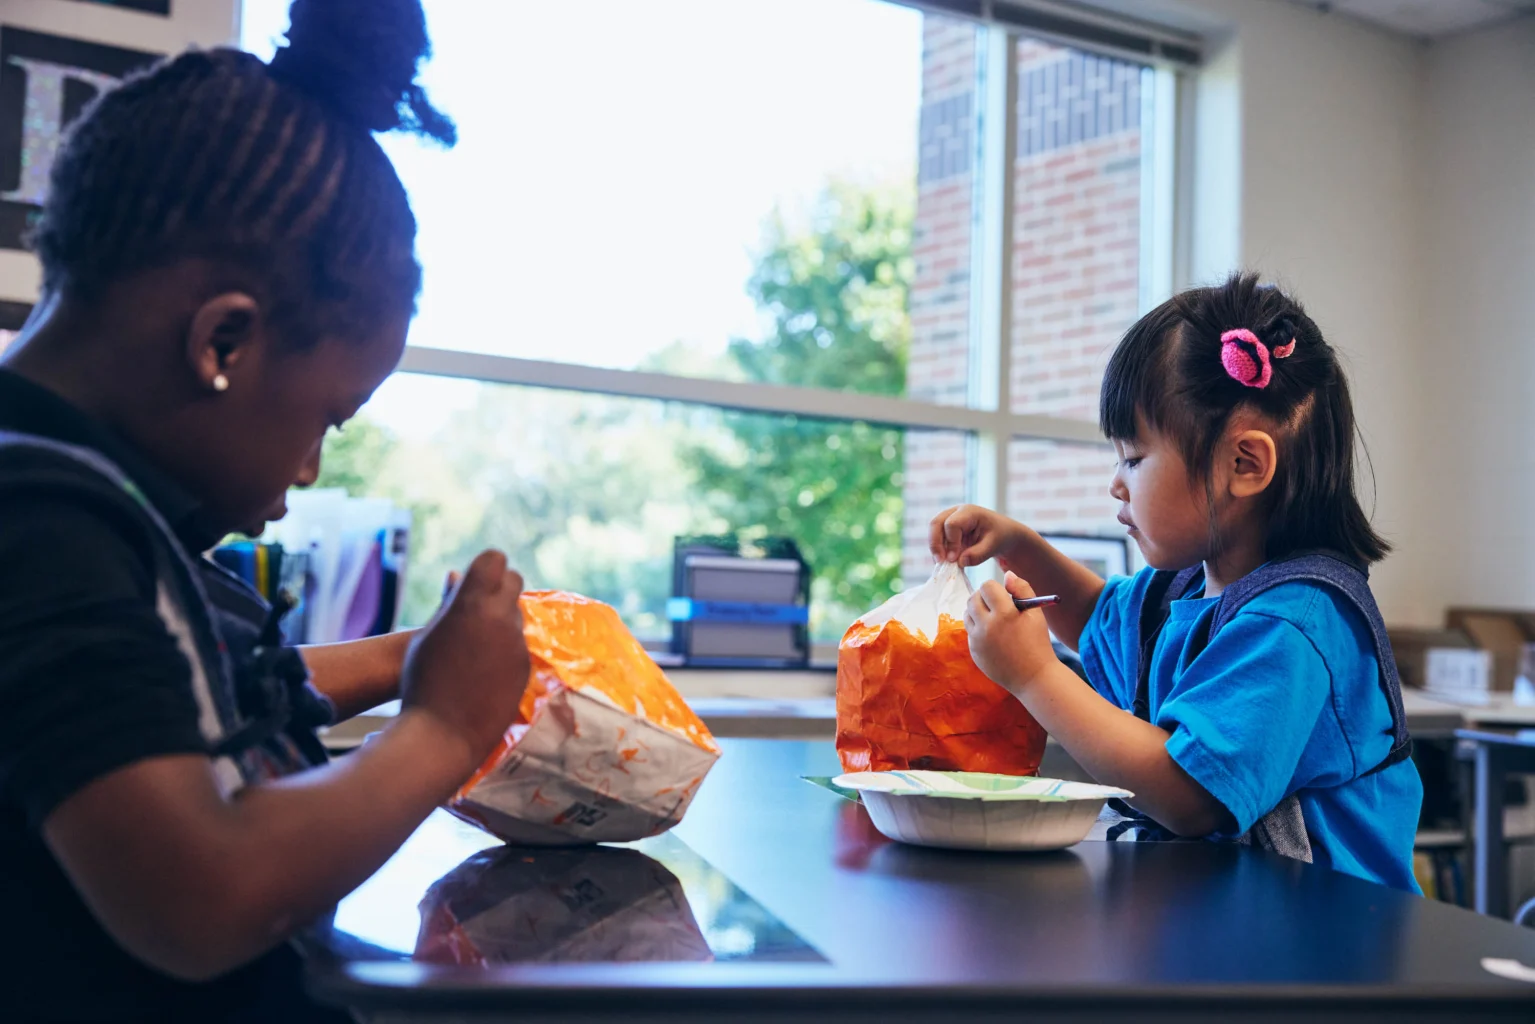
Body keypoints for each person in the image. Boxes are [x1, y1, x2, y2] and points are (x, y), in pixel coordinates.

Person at [0, 0, 531, 1019]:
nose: (312, 467)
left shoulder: (90, 500)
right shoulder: (40, 524)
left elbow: (201, 697)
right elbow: (202, 889)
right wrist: (440, 727)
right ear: (224, 345)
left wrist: (406, 656)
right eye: (328, 415)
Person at [930, 274, 1422, 892]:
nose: (1117, 482)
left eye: (1133, 458)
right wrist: (1018, 546)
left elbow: (1190, 796)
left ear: (1245, 466)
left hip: (1321, 952)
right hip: (1228, 928)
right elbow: (1098, 619)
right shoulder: (1183, 591)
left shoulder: (1295, 624)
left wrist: (1032, 675)